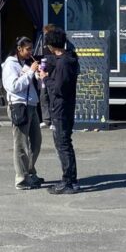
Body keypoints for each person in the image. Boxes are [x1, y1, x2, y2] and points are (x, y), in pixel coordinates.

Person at [37, 27, 79, 193]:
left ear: (51, 45)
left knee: (62, 145)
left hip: (61, 108)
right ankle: (71, 180)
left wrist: (45, 79)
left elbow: (59, 88)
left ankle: (68, 181)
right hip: (65, 107)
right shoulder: (69, 58)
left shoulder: (63, 63)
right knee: (65, 143)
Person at [2, 36, 44, 190]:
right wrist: (30, 73)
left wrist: (39, 76)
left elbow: (34, 85)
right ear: (19, 49)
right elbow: (13, 86)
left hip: (31, 105)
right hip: (19, 106)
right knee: (21, 144)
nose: (30, 52)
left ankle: (30, 172)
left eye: (31, 49)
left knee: (36, 142)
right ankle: (21, 179)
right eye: (27, 49)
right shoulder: (10, 65)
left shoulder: (23, 65)